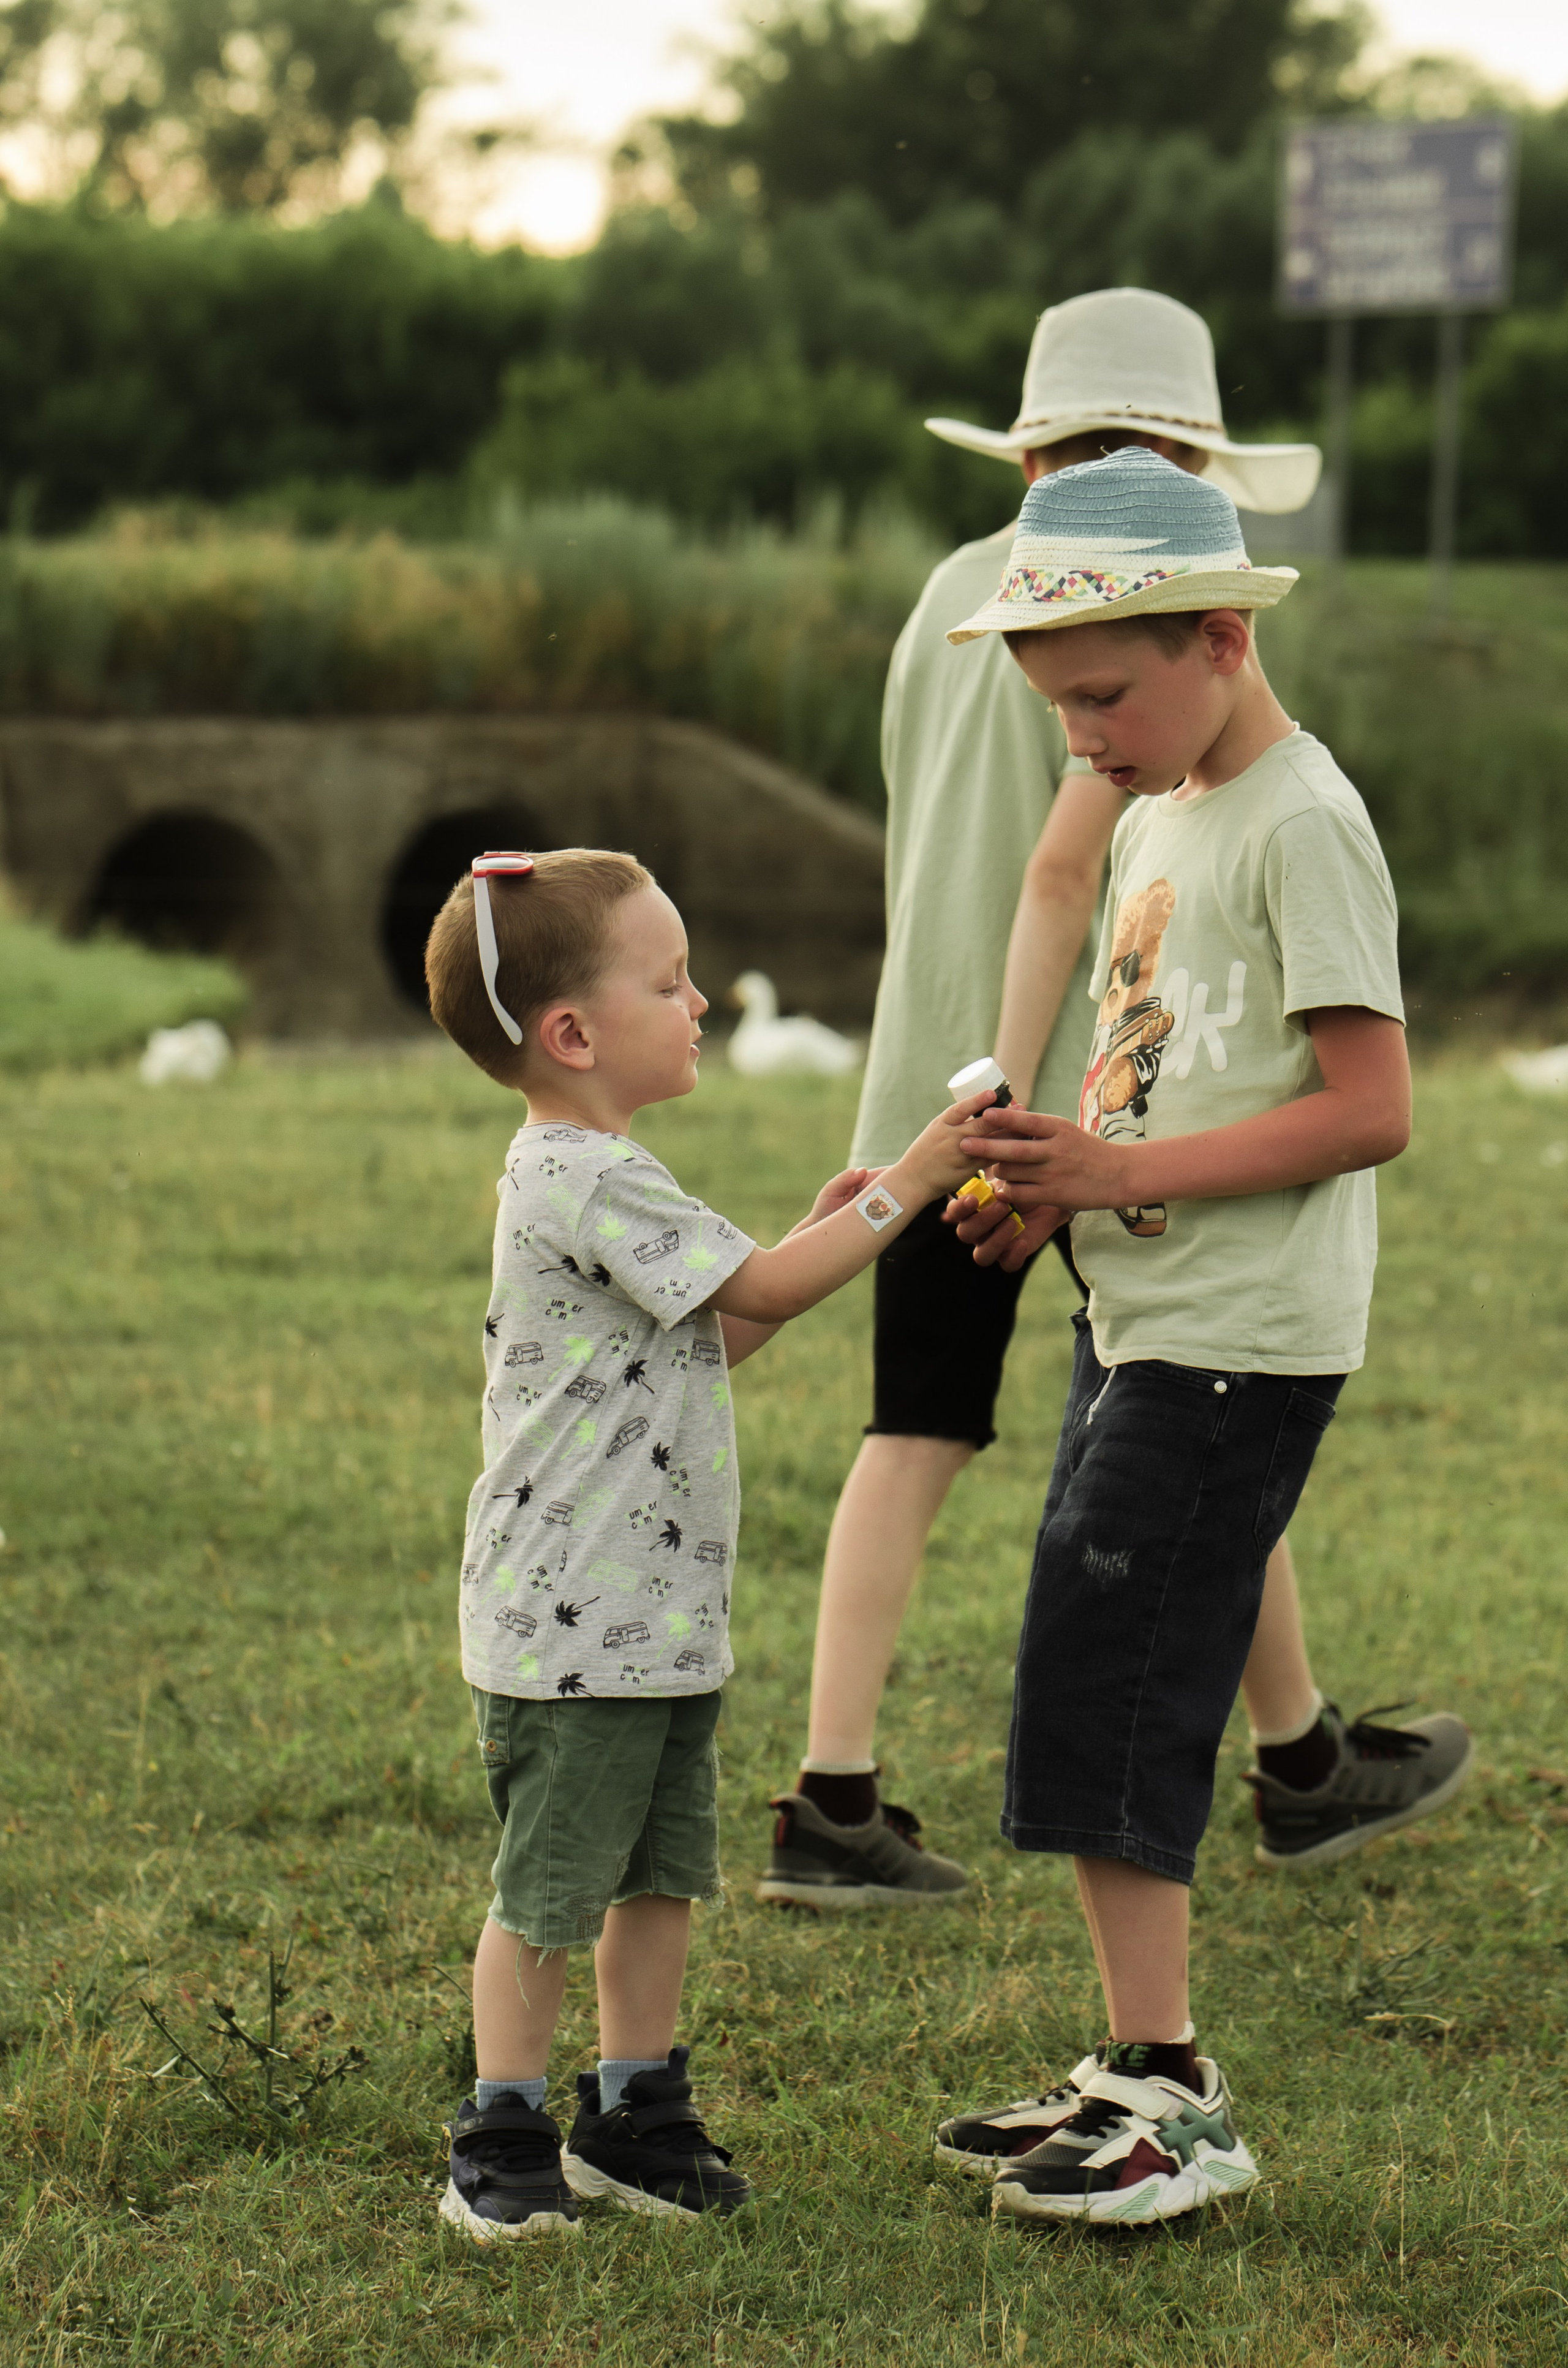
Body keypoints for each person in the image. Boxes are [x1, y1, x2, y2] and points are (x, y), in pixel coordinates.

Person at [760, 287, 1394, 1909]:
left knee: (945, 1430)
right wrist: (1013, 1088)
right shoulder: (1138, 604)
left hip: (930, 1084)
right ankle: (1302, 1762)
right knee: (1192, 1405)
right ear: (1185, 455)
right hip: (1076, 1100)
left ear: (1032, 441)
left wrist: (935, 1089)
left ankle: (839, 1787)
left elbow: (922, 835)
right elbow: (1059, 876)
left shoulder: (946, 601)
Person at [927, 447, 1472, 2224]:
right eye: (1059, 712)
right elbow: (1157, 1068)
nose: (1082, 742)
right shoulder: (1161, 811)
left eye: (1101, 698)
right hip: (1146, 1311)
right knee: (1087, 1673)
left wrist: (1120, 1168)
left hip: (1242, 1338)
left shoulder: (1302, 818)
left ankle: (1180, 2105)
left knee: (1121, 1683)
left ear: (1221, 638)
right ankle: (1132, 2066)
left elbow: (1372, 1105)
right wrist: (1058, 1190)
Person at [421, 845, 988, 2240]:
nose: (698, 1005)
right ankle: (501, 2127)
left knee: (660, 1875)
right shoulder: (579, 1173)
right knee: (550, 1895)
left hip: (652, 1622)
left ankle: (634, 2110)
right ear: (571, 1034)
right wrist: (905, 1181)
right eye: (669, 983)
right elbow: (766, 1284)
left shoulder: (608, 1169)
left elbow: (726, 1323)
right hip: (570, 1629)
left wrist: (806, 1232)